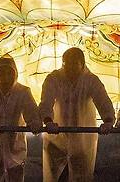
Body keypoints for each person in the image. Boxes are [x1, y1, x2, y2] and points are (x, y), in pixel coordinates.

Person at [39, 47, 115, 182]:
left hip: (82, 140)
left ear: (82, 64)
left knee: (82, 176)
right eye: (67, 64)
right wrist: (48, 121)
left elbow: (103, 101)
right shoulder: (54, 79)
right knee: (54, 175)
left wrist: (108, 120)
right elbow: (46, 101)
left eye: (74, 64)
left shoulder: (91, 81)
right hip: (56, 138)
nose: (70, 68)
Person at [0, 55, 41, 181]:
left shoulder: (23, 92)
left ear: (15, 74)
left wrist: (34, 123)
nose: (5, 78)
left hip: (15, 148)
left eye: (9, 73)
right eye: (1, 73)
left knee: (15, 177)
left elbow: (32, 113)